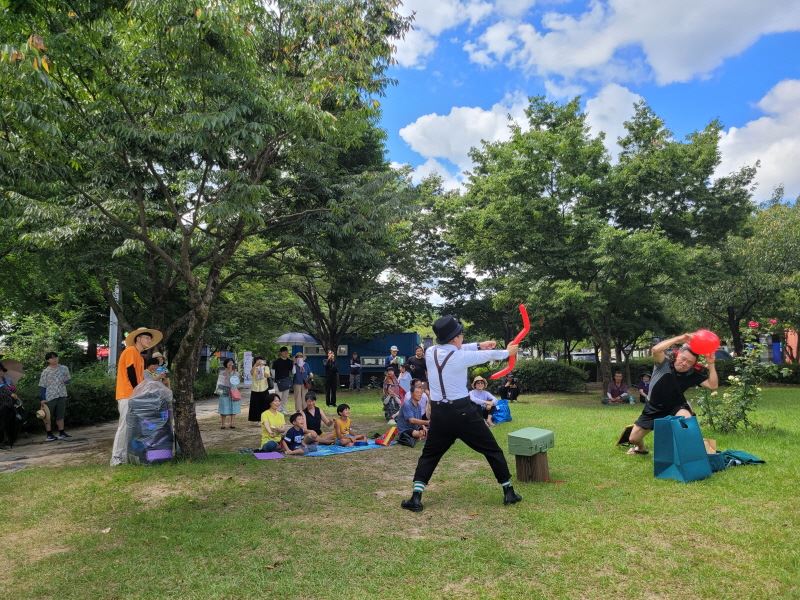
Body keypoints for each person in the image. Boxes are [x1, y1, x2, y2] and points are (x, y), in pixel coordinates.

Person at [401, 315, 522, 512]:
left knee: (430, 454)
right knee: (492, 450)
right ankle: (509, 492)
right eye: (460, 335)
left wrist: (480, 345)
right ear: (455, 338)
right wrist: (508, 352)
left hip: (439, 413)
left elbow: (460, 349)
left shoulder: (430, 352)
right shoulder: (460, 357)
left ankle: (416, 497)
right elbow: (487, 356)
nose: (462, 338)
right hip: (463, 412)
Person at [627, 333, 718, 455]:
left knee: (686, 420)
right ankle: (640, 449)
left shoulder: (692, 374)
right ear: (678, 354)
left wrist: (711, 364)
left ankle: (697, 453)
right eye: (683, 359)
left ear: (693, 364)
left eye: (689, 362)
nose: (685, 363)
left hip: (676, 406)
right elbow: (656, 349)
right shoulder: (663, 364)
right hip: (654, 407)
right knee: (633, 439)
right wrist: (679, 338)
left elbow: (713, 385)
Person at [112, 327, 162, 466]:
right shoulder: (130, 351)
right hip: (127, 394)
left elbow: (140, 378)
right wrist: (137, 391)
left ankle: (125, 457)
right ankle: (116, 458)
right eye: (147, 338)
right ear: (138, 338)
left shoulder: (139, 356)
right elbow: (130, 372)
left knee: (132, 428)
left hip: (134, 395)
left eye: (150, 338)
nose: (149, 340)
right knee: (124, 426)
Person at [38, 352, 72, 441]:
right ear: (48, 360)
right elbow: (42, 386)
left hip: (62, 394)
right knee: (47, 416)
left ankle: (61, 432)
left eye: (56, 357)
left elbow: (68, 380)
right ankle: (49, 434)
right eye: (52, 358)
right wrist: (42, 398)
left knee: (60, 415)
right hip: (50, 396)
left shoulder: (64, 368)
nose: (55, 359)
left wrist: (66, 380)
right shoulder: (45, 372)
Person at [0, 362, 21, 448]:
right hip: (2, 405)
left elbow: (14, 389)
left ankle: (10, 440)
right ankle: (2, 441)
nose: (1, 372)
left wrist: (13, 390)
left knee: (11, 422)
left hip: (10, 404)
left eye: (1, 370)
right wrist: (9, 392)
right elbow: (3, 390)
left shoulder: (7, 379)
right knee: (2, 423)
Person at [216, 358, 241, 429]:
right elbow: (219, 383)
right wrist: (219, 392)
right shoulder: (222, 373)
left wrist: (235, 374)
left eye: (231, 362)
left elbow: (237, 383)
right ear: (226, 364)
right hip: (224, 392)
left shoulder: (236, 373)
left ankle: (232, 423)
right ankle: (223, 424)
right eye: (229, 362)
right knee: (223, 407)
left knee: (234, 407)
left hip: (233, 392)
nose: (230, 363)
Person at [248, 356, 272, 422]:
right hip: (255, 389)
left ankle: (264, 419)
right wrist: (256, 365)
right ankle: (256, 419)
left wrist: (262, 369)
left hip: (264, 388)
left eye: (261, 360)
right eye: (257, 360)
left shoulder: (266, 367)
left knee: (264, 405)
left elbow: (267, 375)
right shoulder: (254, 367)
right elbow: (251, 373)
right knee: (255, 405)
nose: (259, 361)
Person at [272, 347, 294, 414]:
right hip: (278, 382)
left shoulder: (290, 361)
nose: (286, 353)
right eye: (284, 352)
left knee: (285, 397)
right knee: (278, 397)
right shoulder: (276, 362)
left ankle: (284, 409)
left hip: (286, 381)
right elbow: (273, 372)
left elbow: (292, 371)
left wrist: (294, 363)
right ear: (281, 353)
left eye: (287, 352)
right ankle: (278, 410)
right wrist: (274, 380)